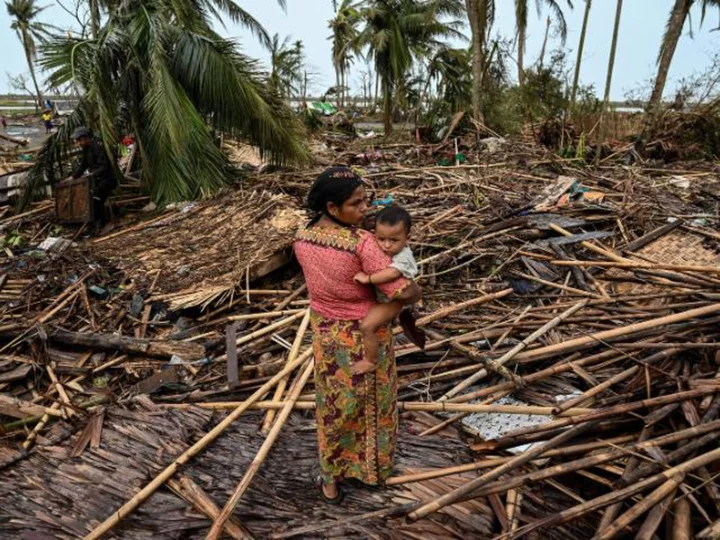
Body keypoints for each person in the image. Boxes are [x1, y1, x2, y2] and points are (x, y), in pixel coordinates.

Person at [293, 167, 421, 504]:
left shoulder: (301, 239)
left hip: (324, 335)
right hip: (364, 334)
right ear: (333, 209)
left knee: (333, 406)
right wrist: (414, 291)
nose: (365, 209)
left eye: (366, 200)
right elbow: (402, 291)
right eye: (356, 203)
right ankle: (371, 471)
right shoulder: (361, 243)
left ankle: (330, 477)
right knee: (374, 404)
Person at [353, 206, 424, 367]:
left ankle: (371, 360)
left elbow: (392, 274)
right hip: (385, 298)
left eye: (394, 240)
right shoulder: (382, 246)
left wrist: (368, 279)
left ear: (407, 238)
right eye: (381, 239)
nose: (386, 245)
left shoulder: (403, 257)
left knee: (367, 327)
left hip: (392, 301)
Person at [69, 126, 117, 230]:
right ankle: (93, 224)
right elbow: (83, 166)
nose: (79, 143)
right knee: (88, 197)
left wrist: (93, 174)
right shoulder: (86, 150)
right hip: (97, 180)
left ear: (86, 138)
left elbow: (105, 166)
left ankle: (104, 223)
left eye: (80, 140)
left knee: (95, 198)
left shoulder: (97, 148)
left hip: (106, 180)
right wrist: (72, 177)